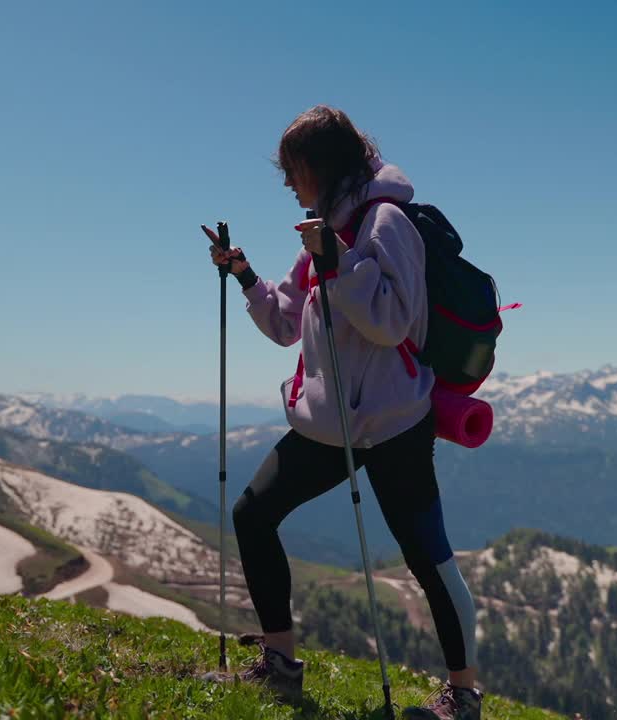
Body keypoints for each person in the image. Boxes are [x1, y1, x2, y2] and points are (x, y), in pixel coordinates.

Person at [207, 105, 484, 720]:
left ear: (323, 165)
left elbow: (390, 322)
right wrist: (245, 274)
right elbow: (285, 323)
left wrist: (339, 261)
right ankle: (280, 666)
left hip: (393, 424)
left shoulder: (386, 222)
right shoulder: (323, 226)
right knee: (254, 514)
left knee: (426, 557)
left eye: (294, 169)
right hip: (328, 424)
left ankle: (464, 698)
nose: (287, 183)